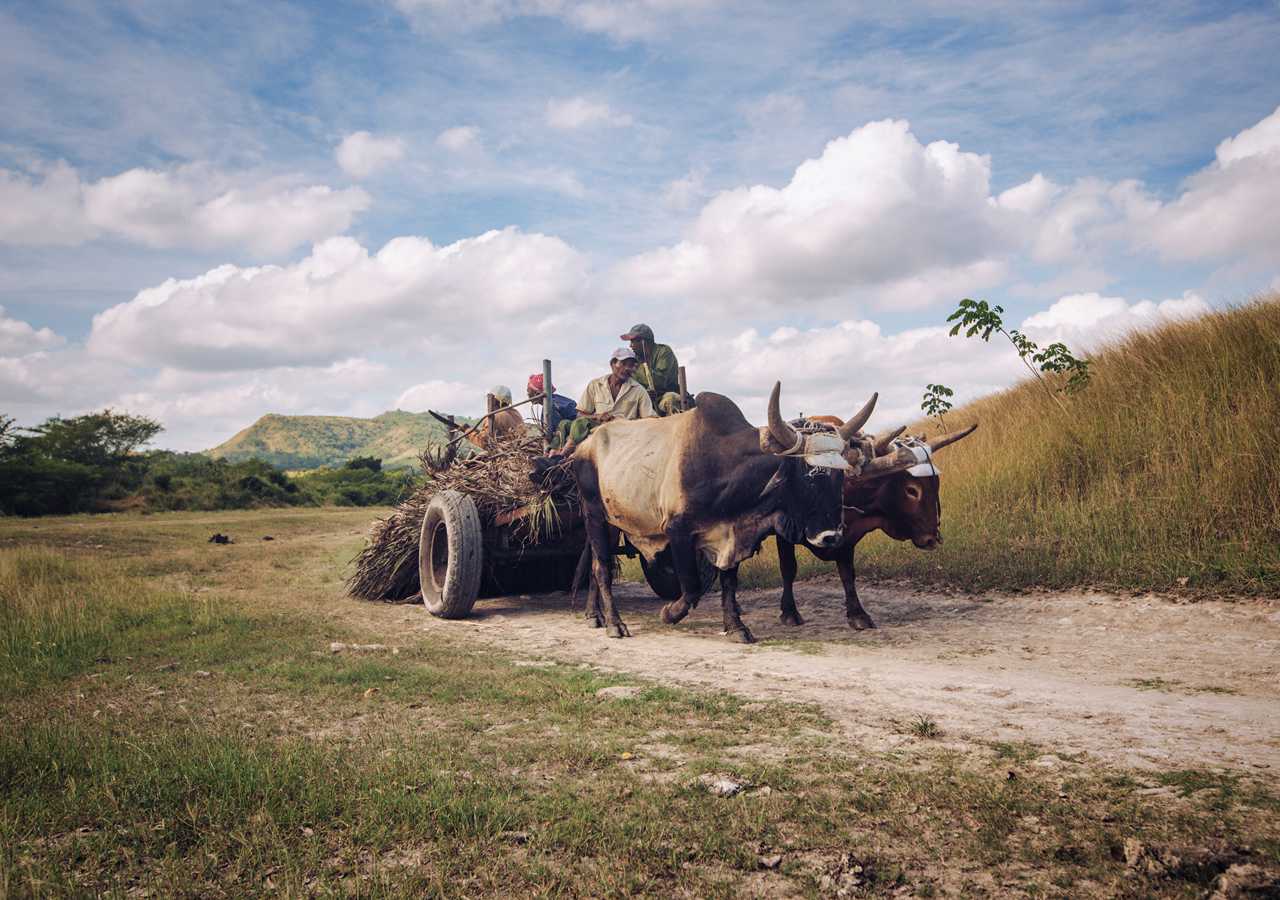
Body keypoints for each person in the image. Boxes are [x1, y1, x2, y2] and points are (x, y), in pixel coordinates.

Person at [554, 347, 655, 455]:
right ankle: (560, 453)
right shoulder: (595, 385)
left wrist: (625, 422)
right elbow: (580, 415)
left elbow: (650, 419)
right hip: (598, 431)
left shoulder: (638, 390)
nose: (627, 368)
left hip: (624, 433)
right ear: (613, 364)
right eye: (623, 364)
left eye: (630, 365)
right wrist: (598, 417)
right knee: (574, 423)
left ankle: (563, 455)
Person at [620, 323, 685, 416]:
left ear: (643, 341)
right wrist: (644, 393)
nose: (630, 345)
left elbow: (659, 381)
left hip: (665, 395)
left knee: (670, 399)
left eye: (633, 341)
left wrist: (636, 369)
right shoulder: (635, 359)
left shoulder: (664, 352)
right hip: (644, 398)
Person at [465, 384, 525, 449]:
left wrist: (468, 433)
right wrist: (475, 431)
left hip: (503, 452)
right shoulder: (516, 414)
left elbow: (484, 443)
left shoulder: (494, 417)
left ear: (494, 401)